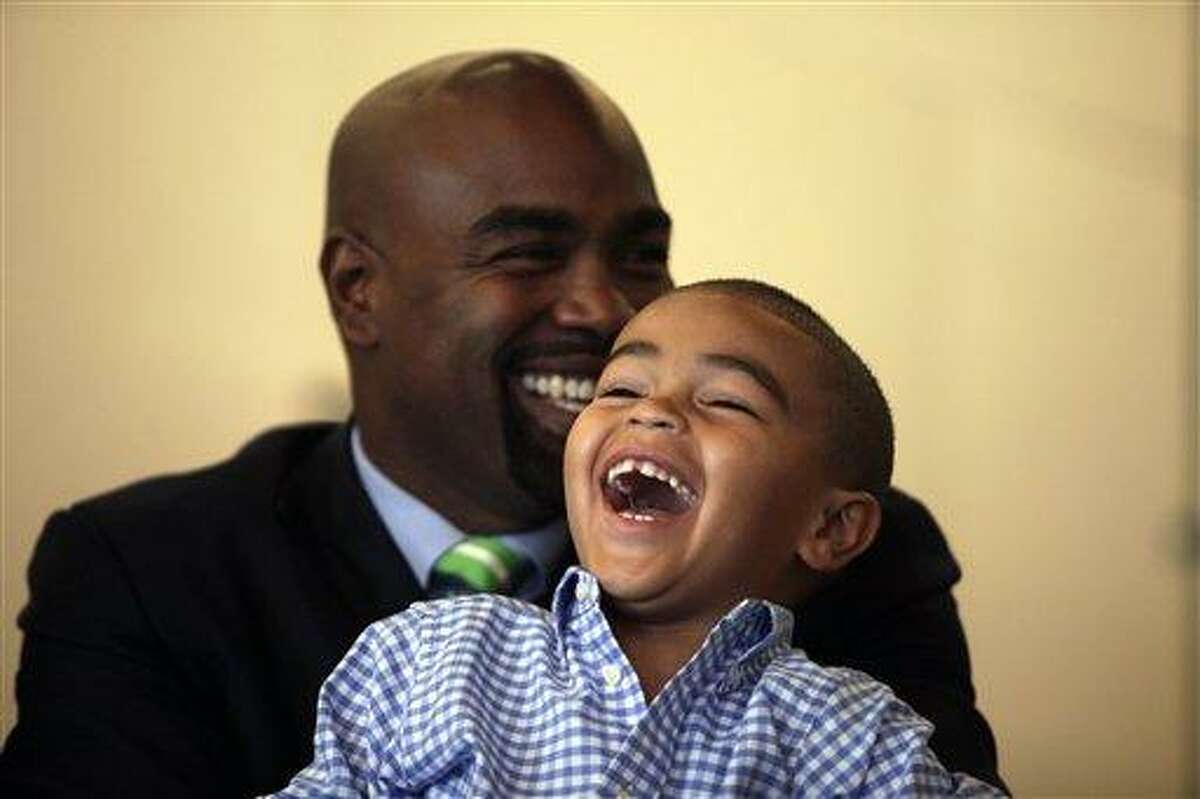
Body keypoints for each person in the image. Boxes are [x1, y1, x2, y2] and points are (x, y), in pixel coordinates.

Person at [0, 52, 1001, 797]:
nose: (607, 310)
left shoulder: (829, 549)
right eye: (528, 255)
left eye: (642, 255)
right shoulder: (142, 569)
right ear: (360, 292)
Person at [271, 280, 1005, 798]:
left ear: (831, 527)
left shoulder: (859, 737)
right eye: (618, 388)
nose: (652, 412)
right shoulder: (435, 653)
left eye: (726, 401)